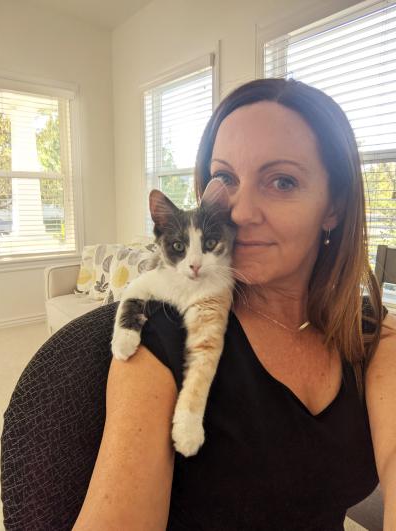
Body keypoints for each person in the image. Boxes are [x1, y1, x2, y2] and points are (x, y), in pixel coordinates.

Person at [72, 78, 396, 530]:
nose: (239, 213)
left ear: (334, 207)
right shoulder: (163, 337)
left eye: (282, 181)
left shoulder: (371, 332)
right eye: (225, 178)